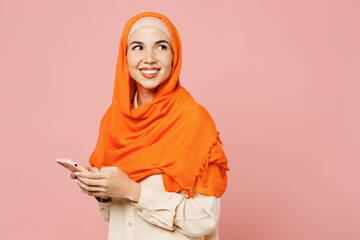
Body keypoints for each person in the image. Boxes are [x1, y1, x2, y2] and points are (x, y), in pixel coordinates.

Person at [70, 12, 229, 240]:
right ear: (124, 57)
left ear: (174, 55)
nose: (149, 58)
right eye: (137, 47)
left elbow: (205, 218)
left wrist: (133, 192)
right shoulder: (113, 120)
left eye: (161, 47)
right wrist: (101, 191)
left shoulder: (194, 120)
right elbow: (113, 215)